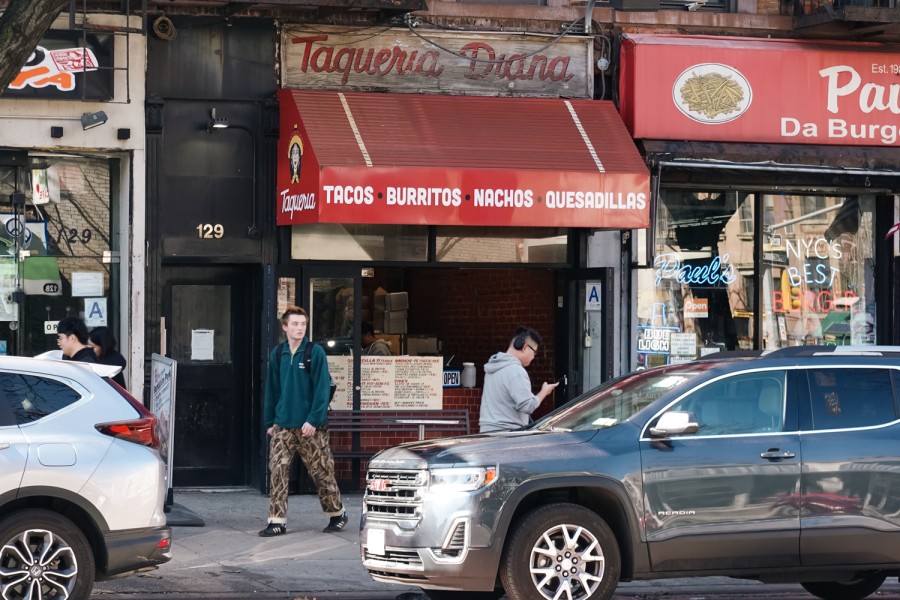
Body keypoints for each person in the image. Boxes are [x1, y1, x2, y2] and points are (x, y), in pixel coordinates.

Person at [259, 305, 347, 537]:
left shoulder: (314, 352)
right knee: (278, 471)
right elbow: (272, 390)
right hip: (283, 426)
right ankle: (276, 521)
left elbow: (322, 390)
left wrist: (314, 420)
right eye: (295, 324)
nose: (300, 328)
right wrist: (270, 421)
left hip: (310, 428)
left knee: (321, 472)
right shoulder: (277, 354)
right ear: (285, 327)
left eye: (303, 324)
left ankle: (336, 513)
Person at [479, 326, 558, 433]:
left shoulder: (492, 367)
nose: (534, 357)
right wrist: (544, 391)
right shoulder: (516, 371)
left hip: (486, 432)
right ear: (525, 347)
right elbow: (528, 406)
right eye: (534, 352)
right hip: (507, 435)